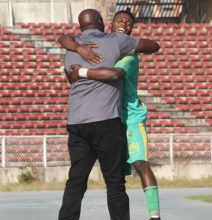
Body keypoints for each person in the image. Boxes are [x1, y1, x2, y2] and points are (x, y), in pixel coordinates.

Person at [57, 9, 160, 220]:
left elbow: (71, 75)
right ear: (102, 23)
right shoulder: (116, 40)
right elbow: (153, 46)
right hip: (106, 121)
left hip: (77, 122)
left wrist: (79, 53)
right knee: (115, 184)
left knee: (76, 181)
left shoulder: (70, 50)